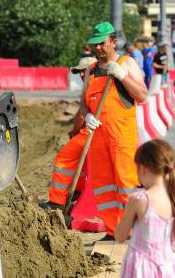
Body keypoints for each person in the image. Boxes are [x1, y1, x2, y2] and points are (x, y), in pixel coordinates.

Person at [80, 21, 147, 239]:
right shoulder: (91, 70)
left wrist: (122, 76)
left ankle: (134, 230)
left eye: (102, 44)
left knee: (126, 183)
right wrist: (87, 115)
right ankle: (113, 228)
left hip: (121, 136)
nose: (98, 48)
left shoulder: (127, 63)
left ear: (113, 42)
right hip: (98, 136)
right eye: (95, 45)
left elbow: (142, 95)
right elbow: (82, 102)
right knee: (103, 186)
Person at [115, 139, 175, 277]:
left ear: (142, 168)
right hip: (169, 268)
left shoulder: (140, 199)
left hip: (140, 270)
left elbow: (120, 236)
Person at [42, 56, 97, 208]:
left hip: (91, 132)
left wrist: (75, 131)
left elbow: (81, 114)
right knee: (83, 161)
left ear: (91, 70)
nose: (80, 75)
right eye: (78, 72)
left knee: (63, 159)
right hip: (100, 131)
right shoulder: (99, 83)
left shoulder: (91, 86)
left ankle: (56, 201)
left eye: (83, 71)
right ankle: (78, 191)